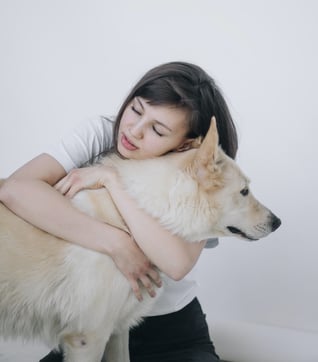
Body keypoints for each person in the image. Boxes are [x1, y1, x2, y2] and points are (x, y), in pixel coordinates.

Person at [0, 61, 238, 362]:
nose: (134, 131)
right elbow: (15, 189)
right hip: (92, 317)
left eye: (157, 130)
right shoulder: (101, 133)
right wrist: (116, 243)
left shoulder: (199, 174)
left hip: (170, 333)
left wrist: (111, 180)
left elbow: (177, 263)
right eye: (136, 110)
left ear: (185, 145)